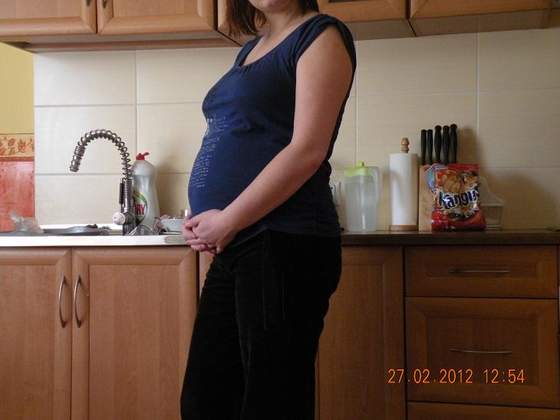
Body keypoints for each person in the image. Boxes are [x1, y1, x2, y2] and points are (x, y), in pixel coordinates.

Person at [180, 0, 356, 416]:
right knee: (205, 402)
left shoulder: (320, 35)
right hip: (241, 242)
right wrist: (210, 218)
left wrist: (227, 218)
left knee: (271, 402)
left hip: (285, 240)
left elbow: (307, 150)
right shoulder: (252, 48)